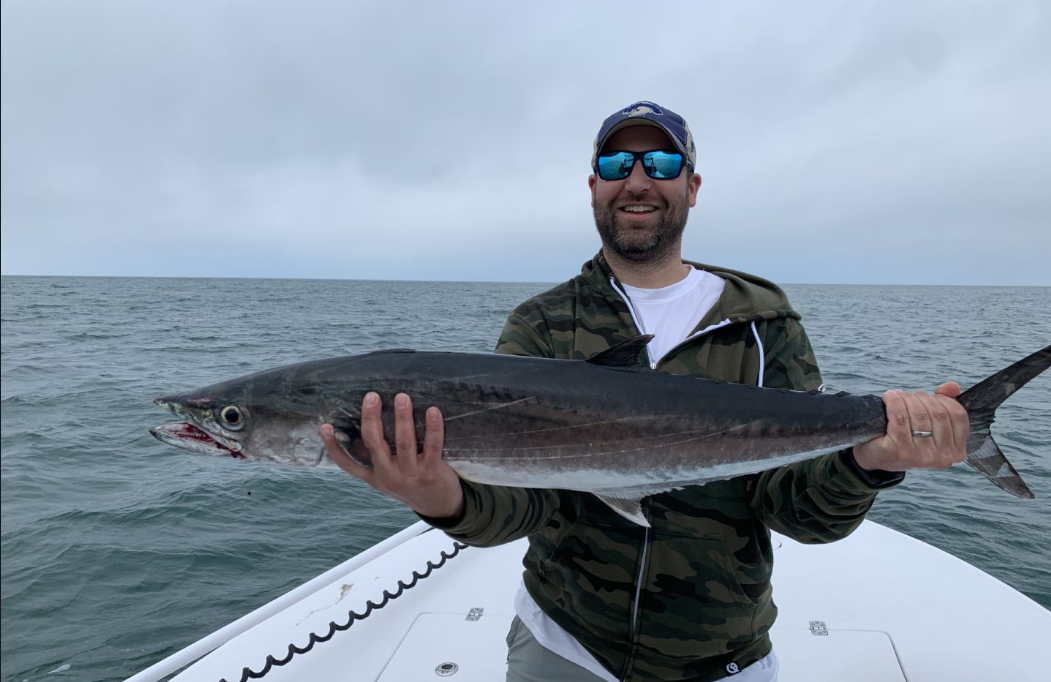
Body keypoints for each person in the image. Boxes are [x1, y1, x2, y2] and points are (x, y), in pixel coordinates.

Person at [319, 101, 969, 682]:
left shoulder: (761, 320)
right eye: (616, 161)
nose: (637, 179)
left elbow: (795, 513)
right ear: (593, 186)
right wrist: (441, 497)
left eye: (659, 162)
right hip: (563, 645)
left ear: (690, 185)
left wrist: (869, 461)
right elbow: (522, 507)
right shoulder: (544, 323)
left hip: (722, 658)